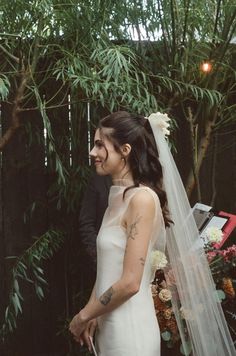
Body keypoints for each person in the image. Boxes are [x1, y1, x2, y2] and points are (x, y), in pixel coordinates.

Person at [70, 111, 236, 356]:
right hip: (108, 326)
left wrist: (81, 316)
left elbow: (130, 282)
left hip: (130, 330)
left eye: (99, 145)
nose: (92, 153)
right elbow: (108, 268)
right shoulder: (116, 198)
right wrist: (92, 313)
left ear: (125, 150)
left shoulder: (142, 200)